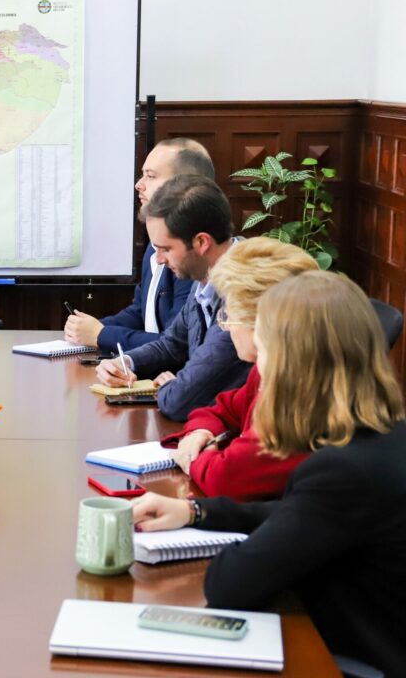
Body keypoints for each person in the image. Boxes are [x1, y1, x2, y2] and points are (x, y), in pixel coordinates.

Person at [132, 272, 406, 678]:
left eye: (266, 353)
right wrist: (196, 511)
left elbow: (228, 585)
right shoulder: (377, 438)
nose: (260, 370)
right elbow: (297, 518)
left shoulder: (340, 472)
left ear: (293, 364)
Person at [162, 237, 318, 500]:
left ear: (260, 320)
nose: (224, 325)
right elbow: (219, 409)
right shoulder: (264, 370)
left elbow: (225, 478)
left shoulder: (297, 392)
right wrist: (201, 432)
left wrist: (199, 455)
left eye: (228, 315)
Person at [96, 175, 251, 421]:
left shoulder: (245, 289)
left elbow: (181, 401)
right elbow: (171, 345)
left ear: (201, 242)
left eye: (165, 249)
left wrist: (170, 386)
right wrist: (124, 362)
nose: (158, 260)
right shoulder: (205, 276)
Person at [64, 138, 207, 350]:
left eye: (150, 176)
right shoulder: (156, 244)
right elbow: (142, 311)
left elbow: (176, 344)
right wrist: (91, 328)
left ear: (184, 186)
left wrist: (102, 334)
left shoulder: (192, 253)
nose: (138, 185)